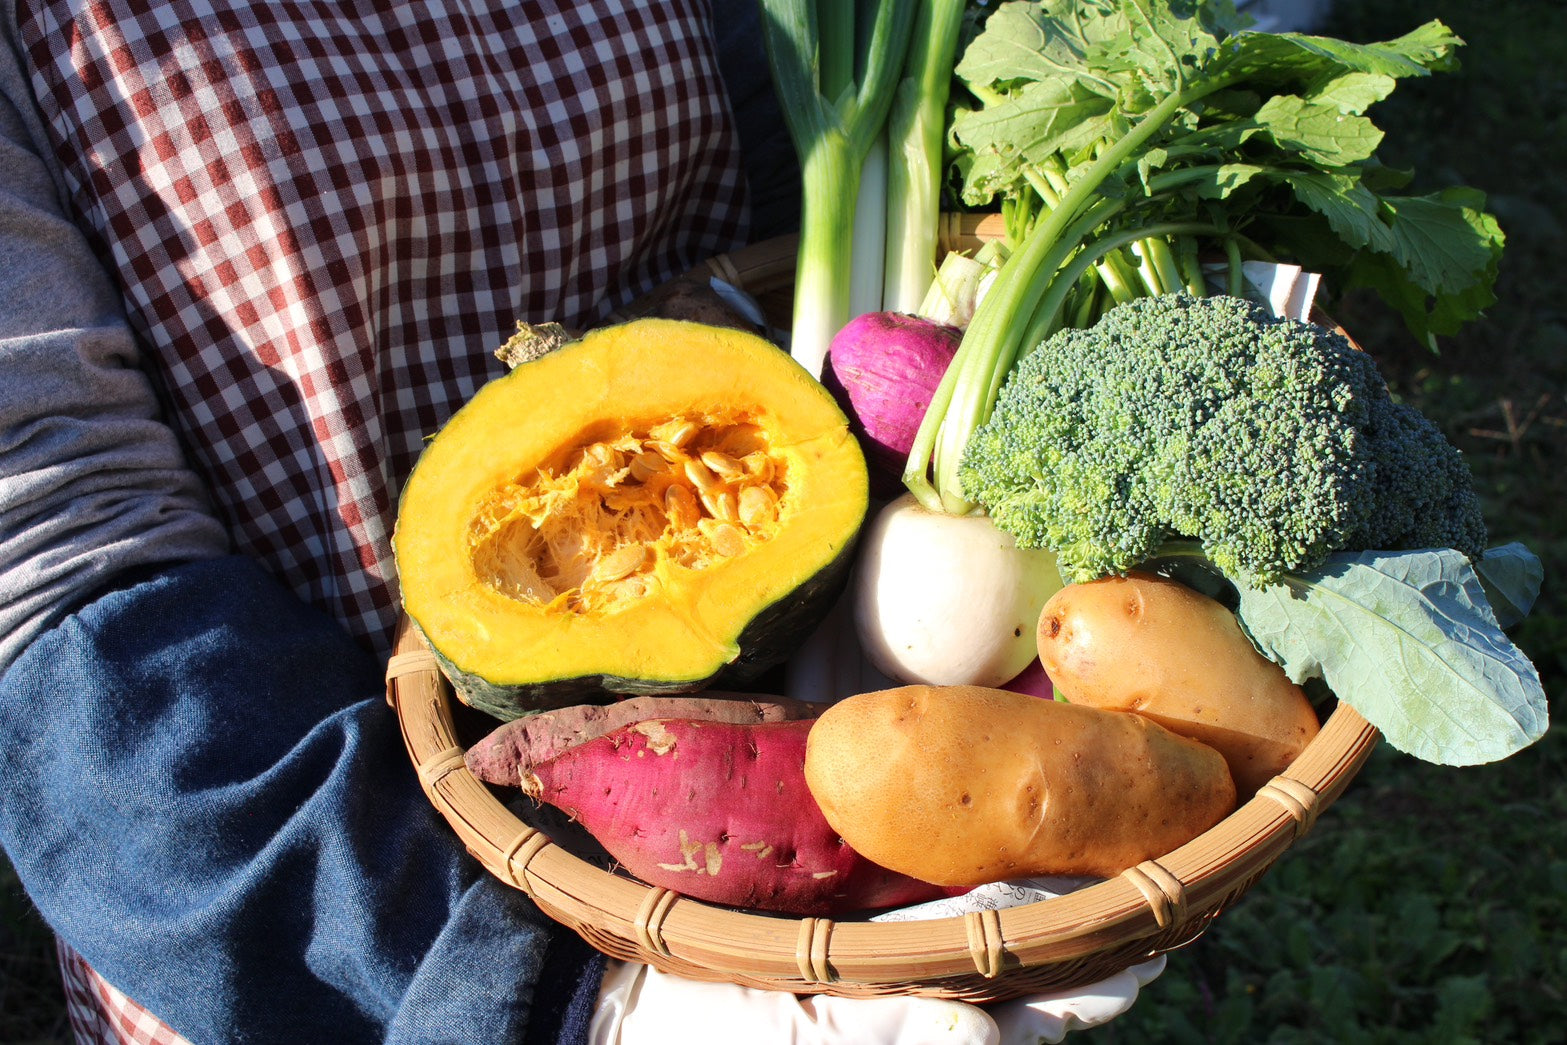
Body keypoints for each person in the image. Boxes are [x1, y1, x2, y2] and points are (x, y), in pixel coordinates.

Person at [0, 2, 1165, 1042]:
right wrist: (559, 1006)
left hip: (777, 767)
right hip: (341, 906)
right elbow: (52, 562)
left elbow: (775, 141)